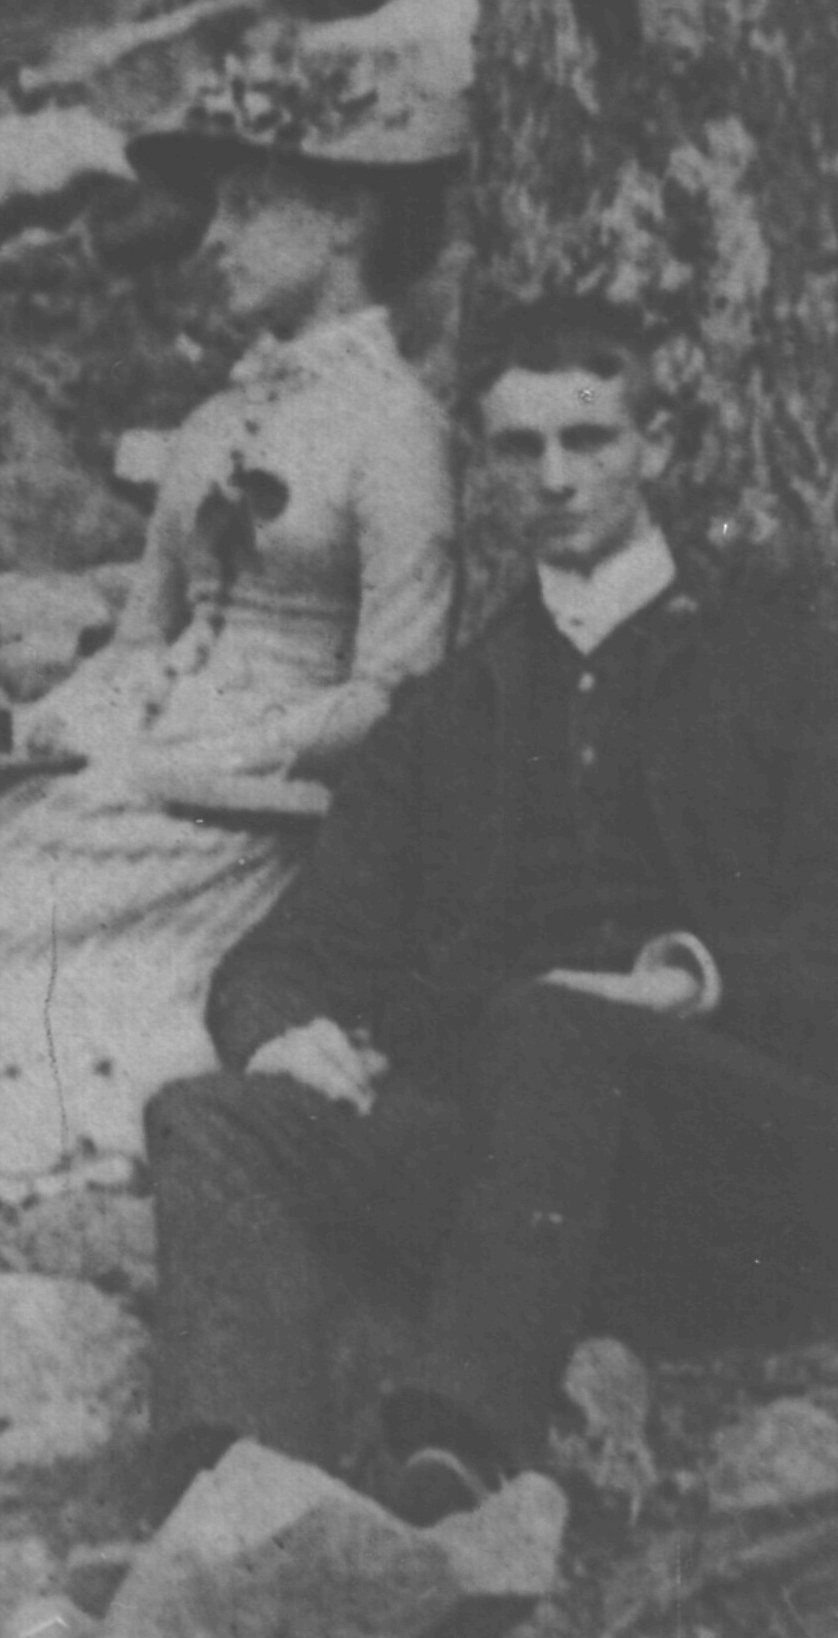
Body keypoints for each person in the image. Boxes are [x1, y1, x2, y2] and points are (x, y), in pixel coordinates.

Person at [0, 0, 473, 1201]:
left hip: (250, 812)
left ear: (344, 216)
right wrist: (54, 720)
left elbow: (399, 687)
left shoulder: (396, 435)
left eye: (247, 206)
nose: (212, 239)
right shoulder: (214, 420)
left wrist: (232, 749)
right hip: (136, 749)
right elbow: (140, 636)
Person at [143, 313, 836, 1524]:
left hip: (738, 1181)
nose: (554, 478)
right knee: (210, 1117)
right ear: (481, 463)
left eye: (588, 439)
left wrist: (684, 982)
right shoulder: (446, 711)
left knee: (552, 1024)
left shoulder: (780, 664)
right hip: (500, 1193)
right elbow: (283, 955)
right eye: (518, 448)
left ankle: (454, 1464)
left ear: (656, 446)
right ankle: (236, 1511)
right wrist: (286, 1032)